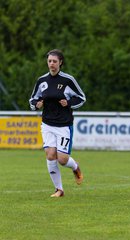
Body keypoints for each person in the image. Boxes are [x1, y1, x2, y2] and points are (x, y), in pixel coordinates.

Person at [29, 49, 86, 197]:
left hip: (64, 125)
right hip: (47, 124)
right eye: (49, 61)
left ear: (60, 62)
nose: (52, 64)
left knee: (62, 159)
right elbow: (32, 99)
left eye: (54, 61)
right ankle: (59, 190)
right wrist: (36, 105)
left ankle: (75, 167)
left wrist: (68, 103)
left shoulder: (68, 80)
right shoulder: (42, 81)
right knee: (50, 155)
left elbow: (81, 98)